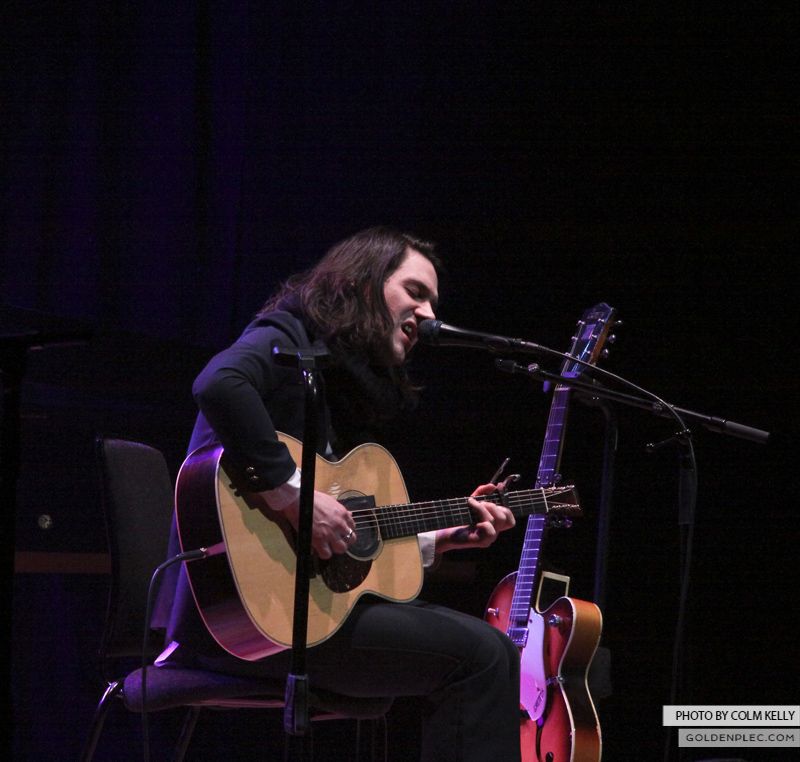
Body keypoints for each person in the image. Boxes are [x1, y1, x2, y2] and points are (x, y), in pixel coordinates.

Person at [154, 226, 522, 761]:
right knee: (485, 654)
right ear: (366, 282)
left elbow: (337, 542)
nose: (426, 314)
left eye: (433, 303)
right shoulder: (289, 333)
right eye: (415, 292)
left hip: (290, 614)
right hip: (231, 623)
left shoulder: (338, 382)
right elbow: (218, 383)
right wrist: (293, 498)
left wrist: (437, 540)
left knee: (481, 651)